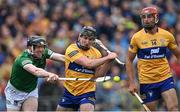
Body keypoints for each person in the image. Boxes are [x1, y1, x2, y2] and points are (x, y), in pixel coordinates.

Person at [126, 6, 179, 111]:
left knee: (173, 108)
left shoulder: (167, 35)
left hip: (165, 78)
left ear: (156, 18)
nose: (146, 19)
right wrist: (131, 83)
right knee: (150, 110)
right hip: (147, 81)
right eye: (144, 17)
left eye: (149, 17)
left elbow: (178, 54)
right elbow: (129, 60)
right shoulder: (136, 38)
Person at [56, 26, 118, 111]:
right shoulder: (71, 49)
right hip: (70, 91)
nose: (87, 42)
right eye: (85, 38)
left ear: (93, 41)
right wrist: (107, 58)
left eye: (90, 39)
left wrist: (109, 61)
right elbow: (88, 64)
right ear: (79, 36)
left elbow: (98, 75)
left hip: (87, 92)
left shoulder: (96, 53)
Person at [4, 36, 65, 111]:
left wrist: (75, 60)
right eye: (38, 47)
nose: (41, 50)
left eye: (43, 47)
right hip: (14, 92)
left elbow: (62, 57)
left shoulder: (43, 52)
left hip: (31, 90)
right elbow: (36, 71)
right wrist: (49, 74)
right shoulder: (23, 58)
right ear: (30, 48)